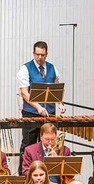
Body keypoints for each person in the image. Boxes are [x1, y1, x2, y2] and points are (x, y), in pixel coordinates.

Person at [16, 41, 66, 174]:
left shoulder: (53, 68)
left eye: (42, 55)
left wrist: (60, 103)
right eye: (37, 54)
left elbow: (57, 89)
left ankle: (48, 175)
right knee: (28, 145)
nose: (40, 58)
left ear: (47, 54)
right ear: (33, 53)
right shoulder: (25, 69)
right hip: (31, 113)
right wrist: (38, 107)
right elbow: (24, 93)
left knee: (49, 144)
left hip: (49, 114)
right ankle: (24, 175)